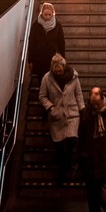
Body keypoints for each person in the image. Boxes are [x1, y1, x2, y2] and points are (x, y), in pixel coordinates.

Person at [39, 53, 84, 185]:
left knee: (72, 141)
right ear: (52, 68)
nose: (58, 73)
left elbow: (78, 94)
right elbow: (42, 96)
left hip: (72, 114)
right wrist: (50, 107)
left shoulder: (74, 77)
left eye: (60, 70)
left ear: (64, 67)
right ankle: (61, 171)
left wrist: (82, 109)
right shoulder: (47, 78)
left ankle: (68, 167)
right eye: (55, 70)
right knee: (59, 146)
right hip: (56, 115)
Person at [27, 1, 65, 86]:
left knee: (54, 82)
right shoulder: (36, 25)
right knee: (42, 82)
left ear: (53, 14)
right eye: (45, 15)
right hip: (40, 58)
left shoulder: (57, 25)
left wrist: (62, 58)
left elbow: (61, 43)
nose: (47, 17)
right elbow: (32, 42)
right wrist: (30, 60)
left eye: (49, 15)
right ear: (42, 14)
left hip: (53, 58)